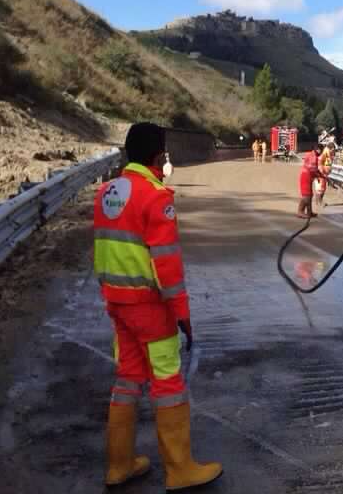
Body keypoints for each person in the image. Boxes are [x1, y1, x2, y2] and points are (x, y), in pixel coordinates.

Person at [94, 122, 222, 490]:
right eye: (164, 152)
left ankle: (118, 465)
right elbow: (165, 263)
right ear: (158, 155)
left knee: (128, 380)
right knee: (168, 382)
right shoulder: (155, 196)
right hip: (150, 306)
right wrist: (182, 313)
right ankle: (180, 469)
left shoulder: (106, 191)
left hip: (117, 302)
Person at [297, 144, 322, 218]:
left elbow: (315, 170)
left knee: (310, 195)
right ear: (317, 149)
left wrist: (319, 176)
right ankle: (300, 211)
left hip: (309, 177)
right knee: (306, 196)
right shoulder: (313, 157)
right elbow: (312, 170)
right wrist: (319, 176)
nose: (321, 152)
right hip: (306, 177)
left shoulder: (314, 155)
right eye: (321, 150)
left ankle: (309, 211)